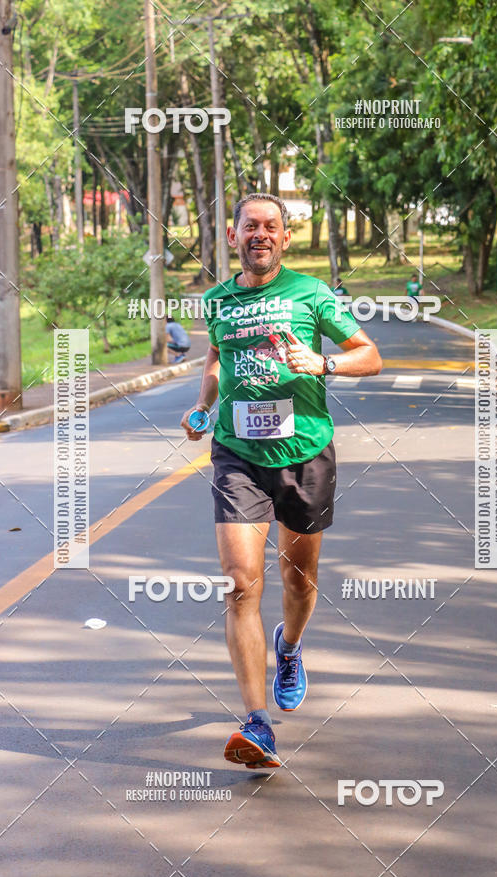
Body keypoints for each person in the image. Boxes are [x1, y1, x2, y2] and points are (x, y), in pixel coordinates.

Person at [181, 193, 382, 768]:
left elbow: (370, 355)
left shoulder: (311, 294)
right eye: (251, 226)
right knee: (241, 583)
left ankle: (289, 648)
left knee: (299, 581)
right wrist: (202, 406)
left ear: (285, 238)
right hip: (237, 454)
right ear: (232, 235)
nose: (260, 235)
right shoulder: (217, 301)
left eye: (271, 226)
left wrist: (323, 364)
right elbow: (217, 358)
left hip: (305, 453)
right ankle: (256, 721)